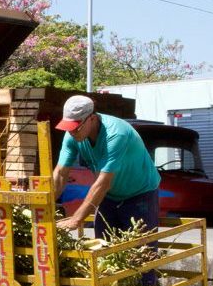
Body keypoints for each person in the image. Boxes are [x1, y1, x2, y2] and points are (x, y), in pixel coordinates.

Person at [52, 95, 161, 237]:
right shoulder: (72, 135)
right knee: (104, 247)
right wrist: (45, 207)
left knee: (140, 252)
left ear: (92, 118)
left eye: (76, 128)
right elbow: (60, 174)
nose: (72, 132)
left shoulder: (115, 134)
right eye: (69, 127)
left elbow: (103, 183)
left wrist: (76, 219)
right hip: (109, 196)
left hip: (140, 193)